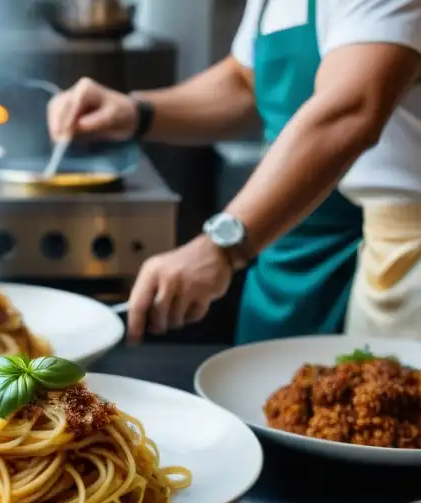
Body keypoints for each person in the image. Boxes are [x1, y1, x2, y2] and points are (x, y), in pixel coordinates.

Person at [47, 0, 421, 344]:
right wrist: (134, 111)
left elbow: (350, 111)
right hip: (280, 239)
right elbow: (245, 84)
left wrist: (222, 245)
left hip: (394, 256)